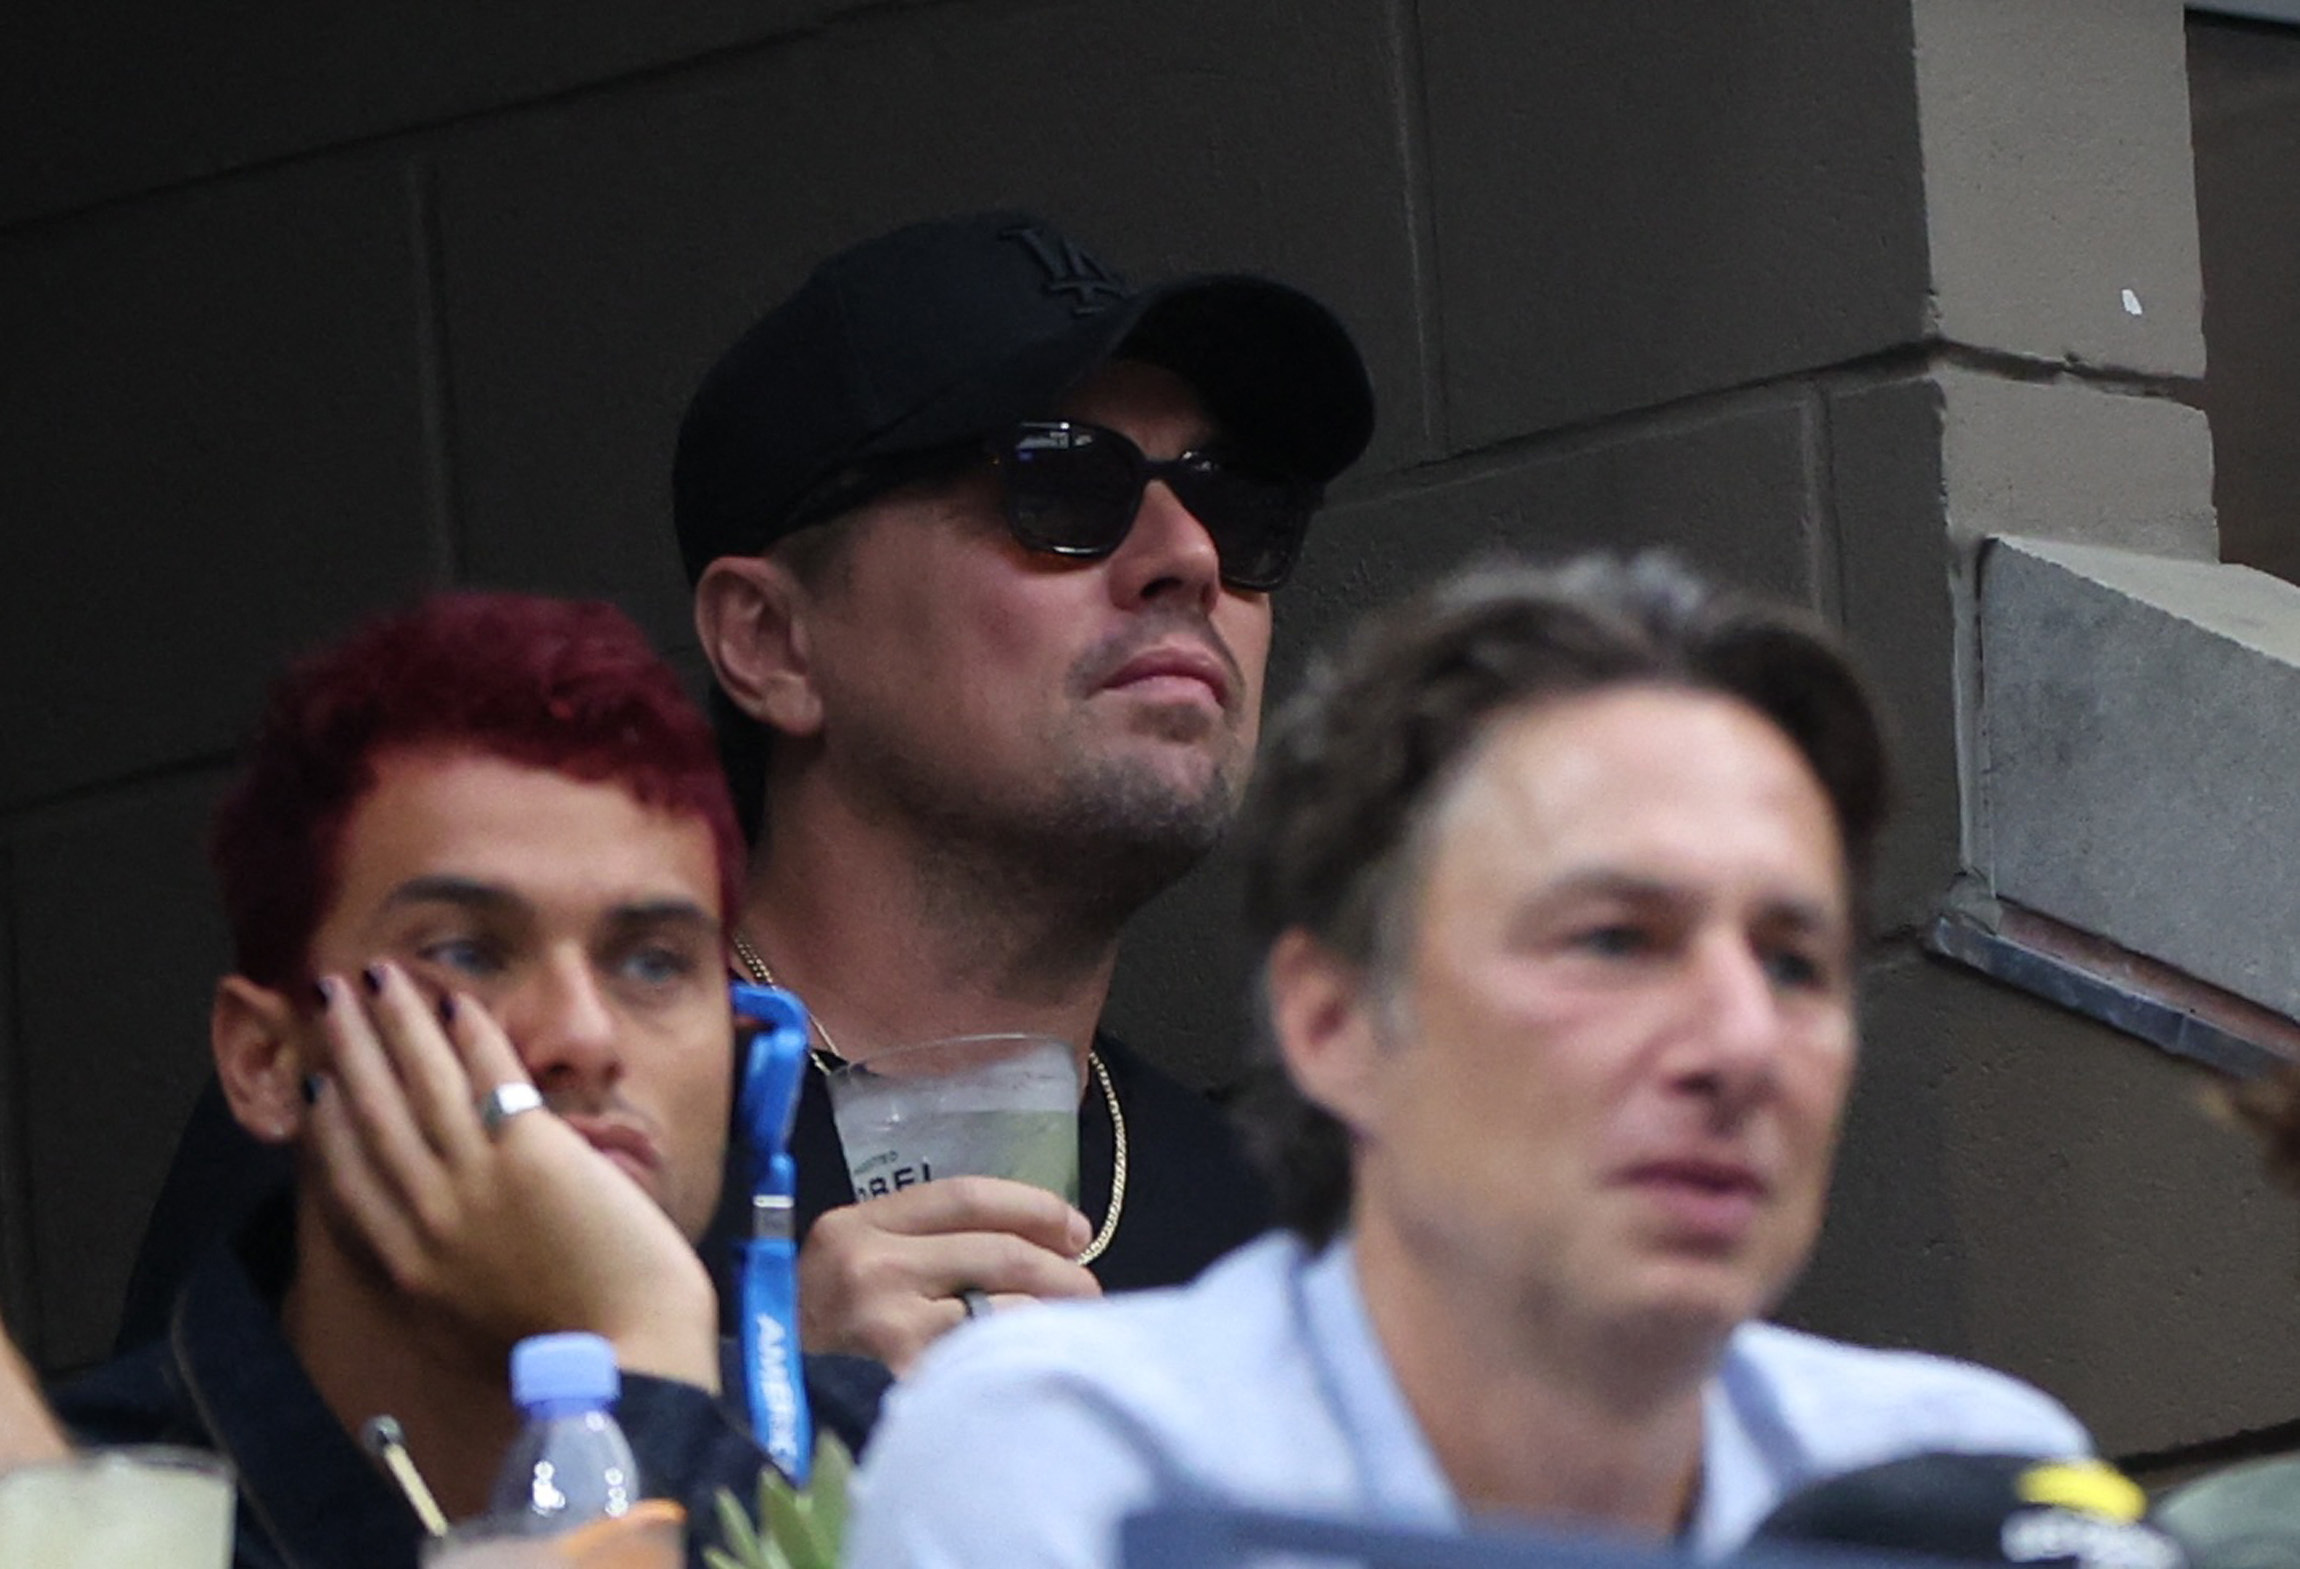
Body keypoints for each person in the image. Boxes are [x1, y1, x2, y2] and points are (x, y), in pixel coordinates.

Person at [844, 553, 2093, 1568]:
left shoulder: (1972, 1487)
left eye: (1792, 962)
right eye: (1612, 940)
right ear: (1333, 1024)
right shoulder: (1078, 1459)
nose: (1738, 1045)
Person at [675, 210, 1375, 1373]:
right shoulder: (549, 1145)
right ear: (771, 642)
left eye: (1238, 502)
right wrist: (753, 1420)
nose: (1191, 554)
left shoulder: (1290, 1273)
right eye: (1061, 483)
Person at [53, 593, 828, 1569]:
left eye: (652, 963)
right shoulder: (68, 1517)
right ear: (266, 1061)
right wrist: (638, 1342)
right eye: (466, 953)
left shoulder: (884, 1455)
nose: (583, 1038)